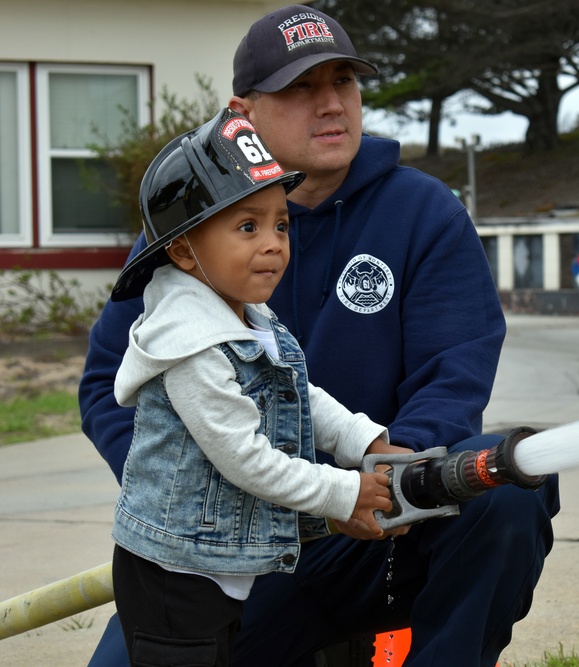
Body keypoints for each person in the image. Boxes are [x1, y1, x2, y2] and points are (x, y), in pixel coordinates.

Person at [79, 5, 560, 666]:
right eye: (302, 87)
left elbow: (450, 380)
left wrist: (387, 481)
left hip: (377, 533)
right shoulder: (190, 231)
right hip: (233, 551)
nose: (332, 104)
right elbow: (110, 385)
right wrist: (193, 506)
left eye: (344, 82)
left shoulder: (425, 216)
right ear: (241, 113)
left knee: (504, 482)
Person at [107, 107, 404, 666]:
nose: (273, 244)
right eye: (248, 227)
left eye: (281, 225)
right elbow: (243, 457)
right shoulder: (191, 342)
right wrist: (342, 491)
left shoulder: (249, 319)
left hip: (225, 561)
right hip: (176, 574)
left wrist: (367, 441)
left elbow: (302, 395)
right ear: (181, 249)